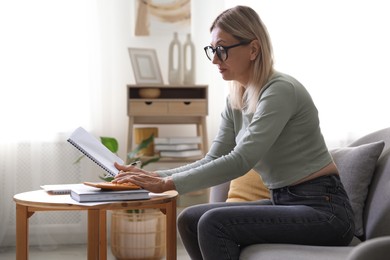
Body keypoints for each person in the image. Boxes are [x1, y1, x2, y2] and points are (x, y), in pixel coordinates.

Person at [113, 5, 355, 260]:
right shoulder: (236, 99)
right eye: (212, 50)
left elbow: (242, 159)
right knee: (190, 219)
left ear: (253, 49)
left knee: (213, 223)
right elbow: (213, 158)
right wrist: (153, 176)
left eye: (222, 49)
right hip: (284, 201)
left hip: (324, 209)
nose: (215, 59)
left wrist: (167, 184)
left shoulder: (280, 91)